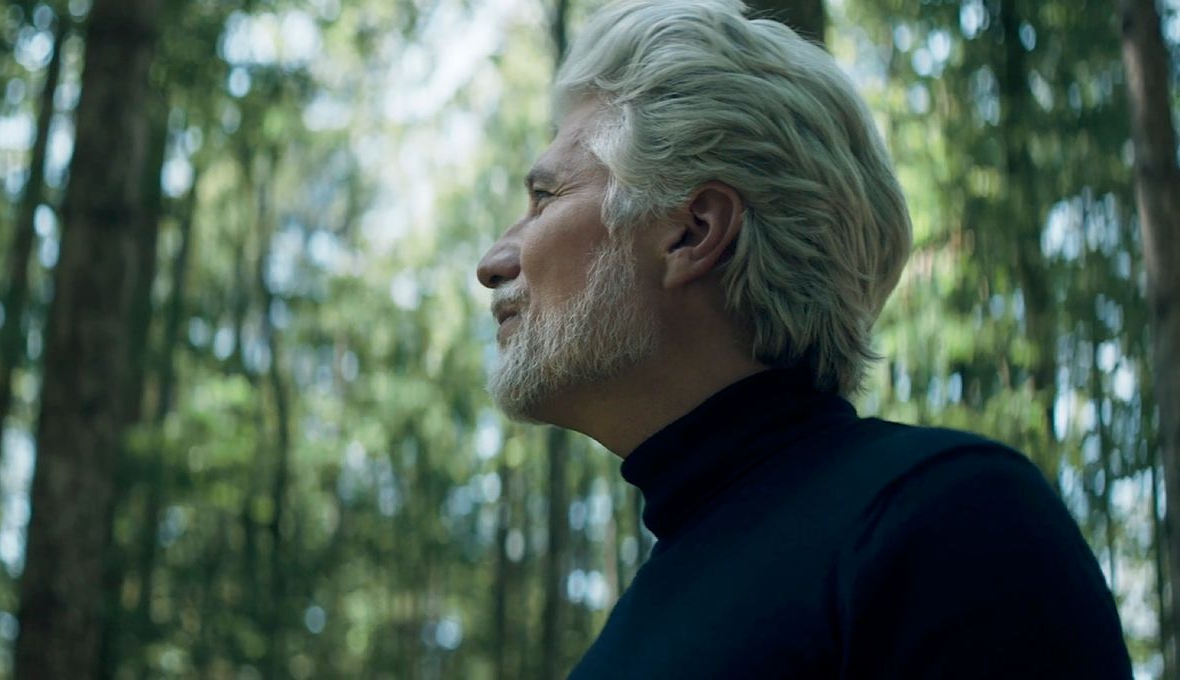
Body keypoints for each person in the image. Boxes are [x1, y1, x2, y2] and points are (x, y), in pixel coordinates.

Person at [475, 0, 1133, 677]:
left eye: (547, 197)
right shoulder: (624, 635)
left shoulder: (951, 522)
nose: (492, 262)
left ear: (694, 231)